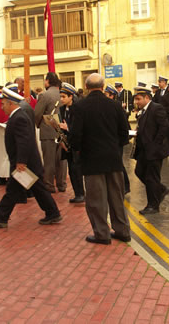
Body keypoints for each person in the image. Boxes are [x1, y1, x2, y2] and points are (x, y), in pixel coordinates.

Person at [0, 87, 62, 227]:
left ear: (11, 103)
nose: (1, 107)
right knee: (34, 189)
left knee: (14, 190)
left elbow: (23, 142)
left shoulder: (19, 117)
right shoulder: (17, 116)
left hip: (25, 164)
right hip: (26, 163)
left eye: (3, 104)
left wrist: (21, 162)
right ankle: (52, 213)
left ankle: (0, 217)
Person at [70, 73, 130, 245]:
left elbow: (76, 136)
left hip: (92, 159)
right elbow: (124, 134)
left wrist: (77, 150)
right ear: (103, 87)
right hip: (113, 158)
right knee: (117, 197)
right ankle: (123, 230)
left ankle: (102, 233)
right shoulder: (116, 106)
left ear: (87, 87)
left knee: (96, 199)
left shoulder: (80, 106)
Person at [132, 86, 169, 215]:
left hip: (154, 150)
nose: (136, 102)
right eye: (135, 100)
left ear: (147, 98)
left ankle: (153, 205)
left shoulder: (156, 108)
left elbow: (164, 126)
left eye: (138, 99)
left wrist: (156, 144)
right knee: (139, 171)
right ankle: (160, 189)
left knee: (151, 178)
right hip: (144, 150)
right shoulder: (143, 111)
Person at [35, 72, 67, 193]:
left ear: (48, 81)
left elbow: (37, 113)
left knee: (49, 161)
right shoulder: (63, 94)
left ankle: (49, 185)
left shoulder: (45, 95)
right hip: (62, 130)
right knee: (62, 160)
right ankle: (62, 184)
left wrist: (39, 125)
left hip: (48, 130)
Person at [59, 82, 85, 203]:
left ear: (71, 96)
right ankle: (77, 193)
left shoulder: (78, 109)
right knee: (71, 170)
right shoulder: (62, 109)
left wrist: (68, 127)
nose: (61, 99)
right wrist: (61, 140)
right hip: (67, 143)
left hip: (77, 144)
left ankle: (81, 193)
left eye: (64, 96)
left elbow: (81, 127)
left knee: (77, 169)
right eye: (61, 96)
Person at [105, 84, 131, 193]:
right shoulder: (107, 107)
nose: (104, 96)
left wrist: (121, 142)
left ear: (111, 95)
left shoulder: (117, 107)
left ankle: (125, 186)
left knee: (119, 164)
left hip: (117, 141)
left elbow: (124, 127)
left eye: (106, 94)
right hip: (110, 140)